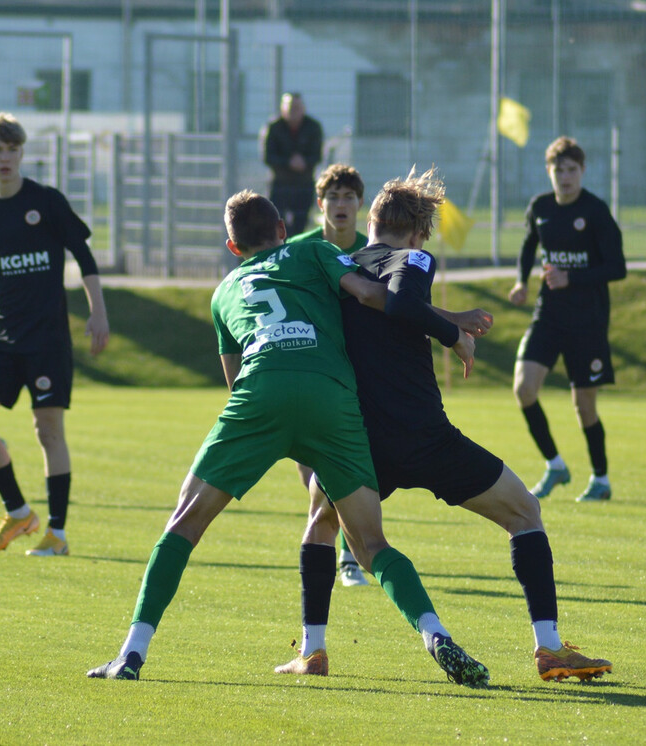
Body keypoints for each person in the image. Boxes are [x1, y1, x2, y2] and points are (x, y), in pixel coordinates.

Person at [86, 190, 489, 688]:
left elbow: (234, 381)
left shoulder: (222, 294)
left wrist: (273, 436)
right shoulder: (312, 250)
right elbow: (372, 296)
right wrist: (451, 324)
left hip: (261, 393)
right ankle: (434, 633)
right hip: (331, 398)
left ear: (233, 249)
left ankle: (131, 653)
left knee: (183, 524)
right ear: (282, 229)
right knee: (370, 543)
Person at [275, 167, 612, 683]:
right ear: (416, 233)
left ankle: (313, 651)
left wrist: (448, 318)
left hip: (358, 442)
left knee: (320, 525)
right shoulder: (414, 257)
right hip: (424, 437)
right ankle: (548, 647)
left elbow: (387, 308)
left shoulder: (340, 269)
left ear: (370, 219)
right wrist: (453, 335)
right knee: (525, 511)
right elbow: (405, 301)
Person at [0, 112, 110, 557]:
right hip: (1, 337)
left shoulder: (47, 201)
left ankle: (56, 534)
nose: (5, 158)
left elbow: (84, 255)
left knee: (48, 431)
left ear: (21, 153)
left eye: (12, 150)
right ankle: (19, 513)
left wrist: (98, 313)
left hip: (47, 339)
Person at [508, 136, 627, 503]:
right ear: (549, 172)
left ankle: (601, 479)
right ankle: (555, 465)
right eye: (558, 170)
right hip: (548, 315)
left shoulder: (595, 211)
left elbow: (617, 267)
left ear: (582, 171)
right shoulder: (541, 207)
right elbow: (529, 244)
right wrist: (521, 281)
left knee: (584, 406)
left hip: (587, 321)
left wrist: (570, 277)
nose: (565, 176)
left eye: (571, 170)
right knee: (524, 389)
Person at [287, 163, 370, 586]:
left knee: (343, 464)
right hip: (308, 371)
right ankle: (335, 546)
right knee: (311, 468)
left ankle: (346, 554)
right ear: (320, 203)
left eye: (348, 197)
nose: (340, 204)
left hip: (356, 372)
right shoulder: (299, 249)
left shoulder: (371, 251)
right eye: (333, 196)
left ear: (360, 204)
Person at [262, 92, 323, 236]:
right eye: (290, 107)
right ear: (282, 108)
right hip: (280, 185)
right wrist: (288, 162)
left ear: (303, 108)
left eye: (297, 107)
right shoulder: (273, 127)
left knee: (300, 225)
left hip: (304, 184)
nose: (293, 111)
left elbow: (317, 155)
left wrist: (304, 162)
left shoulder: (313, 127)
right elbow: (268, 156)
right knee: (277, 223)